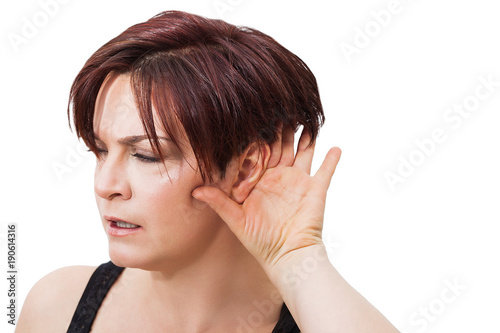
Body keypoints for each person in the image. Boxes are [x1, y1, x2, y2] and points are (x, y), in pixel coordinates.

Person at [16, 10, 399, 332]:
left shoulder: (324, 317)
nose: (105, 185)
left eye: (147, 155)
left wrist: (297, 257)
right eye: (100, 151)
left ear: (245, 168)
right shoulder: (56, 309)